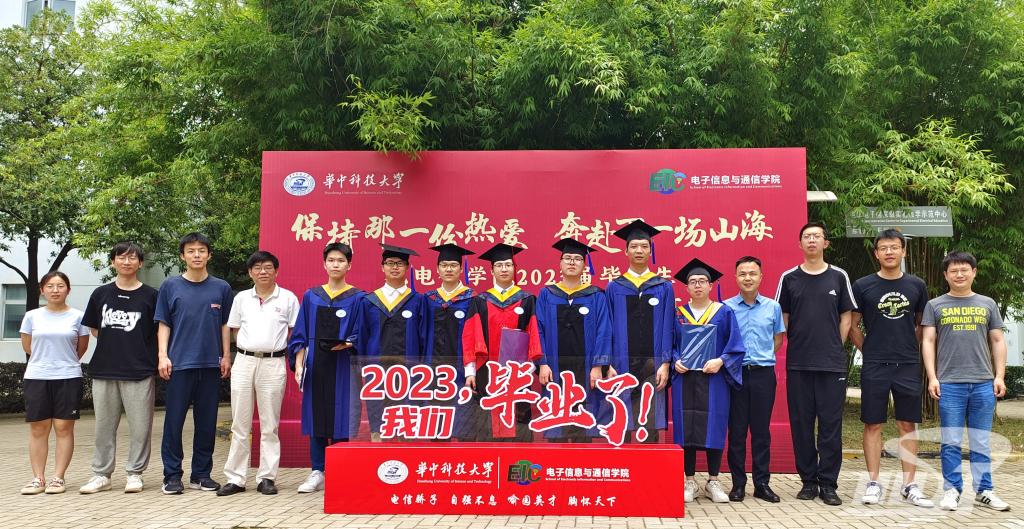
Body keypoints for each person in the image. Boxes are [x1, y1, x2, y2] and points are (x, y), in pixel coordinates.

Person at [849, 229, 932, 507]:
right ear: (876, 253)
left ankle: (910, 485)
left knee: (907, 423)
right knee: (873, 423)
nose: (889, 252)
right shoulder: (863, 285)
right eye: (883, 248)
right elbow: (852, 324)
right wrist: (869, 350)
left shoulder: (917, 285)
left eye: (894, 247)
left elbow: (921, 324)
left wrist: (907, 345)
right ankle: (873, 483)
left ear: (903, 251)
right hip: (875, 364)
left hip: (907, 363)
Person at [922, 251, 1010, 511]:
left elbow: (998, 340)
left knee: (981, 440)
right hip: (949, 383)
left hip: (983, 382)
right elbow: (928, 341)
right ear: (945, 275)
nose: (959, 274)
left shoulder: (987, 303)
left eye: (964, 270)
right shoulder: (935, 305)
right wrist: (932, 377)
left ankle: (984, 490)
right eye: (953, 271)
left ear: (974, 272)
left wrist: (999, 376)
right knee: (951, 441)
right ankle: (952, 490)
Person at [775, 222, 855, 506]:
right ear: (800, 244)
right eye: (807, 237)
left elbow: (847, 316)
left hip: (831, 364)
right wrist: (791, 343)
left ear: (825, 243)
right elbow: (782, 317)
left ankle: (828, 484)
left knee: (831, 426)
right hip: (799, 363)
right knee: (802, 425)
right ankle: (808, 481)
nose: (812, 240)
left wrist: (835, 344)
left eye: (817, 236)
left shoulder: (839, 276)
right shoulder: (789, 278)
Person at [155, 232, 234, 495]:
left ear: (209, 255)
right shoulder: (170, 286)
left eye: (201, 250)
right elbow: (164, 323)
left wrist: (226, 355)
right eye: (191, 251)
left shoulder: (221, 288)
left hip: (211, 365)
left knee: (207, 423)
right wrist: (163, 355)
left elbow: (225, 325)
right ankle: (172, 476)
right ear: (183, 256)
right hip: (179, 364)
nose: (196, 255)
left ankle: (201, 474)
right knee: (174, 422)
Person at [217, 251, 299, 497]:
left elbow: (295, 332)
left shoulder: (288, 298)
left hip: (273, 363)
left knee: (269, 424)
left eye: (268, 267)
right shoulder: (242, 298)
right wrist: (230, 355)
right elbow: (232, 328)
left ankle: (266, 477)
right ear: (250, 272)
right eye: (257, 268)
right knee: (240, 423)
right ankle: (236, 478)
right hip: (244, 361)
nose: (263, 271)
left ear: (276, 271)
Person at [79, 242, 159, 494]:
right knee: (103, 427)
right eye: (121, 257)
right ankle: (101, 474)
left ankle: (135, 473)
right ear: (113, 262)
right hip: (104, 369)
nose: (126, 262)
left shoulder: (151, 295)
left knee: (141, 427)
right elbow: (94, 329)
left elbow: (158, 332)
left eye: (132, 258)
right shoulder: (100, 293)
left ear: (140, 263)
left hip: (139, 370)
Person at [288, 242, 365, 494]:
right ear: (324, 264)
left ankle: (340, 469)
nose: (335, 265)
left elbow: (362, 331)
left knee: (344, 414)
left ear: (349, 265)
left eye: (341, 261)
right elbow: (300, 333)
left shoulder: (359, 298)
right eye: (331, 260)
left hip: (343, 366)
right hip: (317, 366)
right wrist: (299, 364)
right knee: (317, 414)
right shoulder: (312, 296)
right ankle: (317, 471)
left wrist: (350, 342)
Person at [671, 259, 745, 504]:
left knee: (715, 426)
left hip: (714, 379)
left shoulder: (724, 312)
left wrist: (721, 361)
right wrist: (675, 361)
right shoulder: (678, 314)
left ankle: (713, 480)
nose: (698, 285)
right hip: (685, 379)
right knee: (686, 429)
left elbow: (735, 346)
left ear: (711, 285)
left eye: (702, 281)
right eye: (693, 282)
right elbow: (669, 345)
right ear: (686, 287)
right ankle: (689, 481)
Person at [462, 243, 543, 441]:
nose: (504, 269)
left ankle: (519, 459)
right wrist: (470, 371)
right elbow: (471, 336)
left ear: (514, 269)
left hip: (518, 372)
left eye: (508, 264)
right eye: (499, 265)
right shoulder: (480, 301)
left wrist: (533, 365)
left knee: (518, 418)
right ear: (492, 270)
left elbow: (534, 332)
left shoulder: (527, 300)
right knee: (487, 420)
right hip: (486, 372)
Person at [19, 271, 90, 495]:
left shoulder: (78, 317)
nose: (55, 290)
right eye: (50, 286)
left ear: (68, 290)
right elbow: (28, 346)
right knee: (38, 428)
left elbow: (81, 348)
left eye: (60, 286)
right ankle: (38, 479)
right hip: (37, 376)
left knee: (63, 427)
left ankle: (58, 478)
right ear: (42, 290)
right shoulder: (32, 316)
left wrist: (62, 362)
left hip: (68, 376)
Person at [535, 238, 613, 442]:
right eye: (567, 258)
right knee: (556, 423)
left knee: (583, 428)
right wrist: (542, 363)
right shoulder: (546, 294)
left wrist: (598, 366)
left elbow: (603, 331)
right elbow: (538, 330)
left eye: (577, 259)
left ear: (584, 265)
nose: (572, 262)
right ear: (560, 264)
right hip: (553, 369)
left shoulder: (596, 296)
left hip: (586, 371)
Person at [604, 220, 675, 442]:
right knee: (621, 421)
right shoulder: (614, 287)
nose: (639, 250)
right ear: (625, 251)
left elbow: (668, 326)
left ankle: (648, 464)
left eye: (644, 246)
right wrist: (608, 364)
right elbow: (607, 327)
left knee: (649, 421)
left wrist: (665, 362)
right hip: (621, 365)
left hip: (653, 365)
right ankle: (622, 463)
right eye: (634, 246)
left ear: (650, 251)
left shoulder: (663, 286)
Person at [724, 256, 785, 503]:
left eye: (752, 273)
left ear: (761, 277)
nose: (747, 278)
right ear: (735, 277)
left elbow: (777, 339)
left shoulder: (773, 307)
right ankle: (738, 484)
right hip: (735, 375)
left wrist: (762, 356)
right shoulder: (726, 308)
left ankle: (762, 484)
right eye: (742, 273)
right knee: (737, 432)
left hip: (763, 374)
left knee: (761, 432)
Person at [358, 244, 428, 441]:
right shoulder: (369, 301)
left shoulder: (418, 300)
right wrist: (363, 366)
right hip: (377, 372)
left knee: (407, 421)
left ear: (407, 267)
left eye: (399, 263)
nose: (394, 267)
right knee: (379, 423)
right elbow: (362, 336)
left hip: (410, 372)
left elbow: (424, 337)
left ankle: (406, 454)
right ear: (382, 267)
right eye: (390, 263)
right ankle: (378, 454)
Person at [421, 243, 477, 440]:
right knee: (436, 424)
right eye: (444, 265)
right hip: (432, 370)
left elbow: (474, 336)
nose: (449, 269)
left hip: (461, 370)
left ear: (461, 269)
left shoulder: (472, 299)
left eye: (453, 265)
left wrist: (471, 370)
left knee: (464, 423)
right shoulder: (428, 299)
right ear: (437, 270)